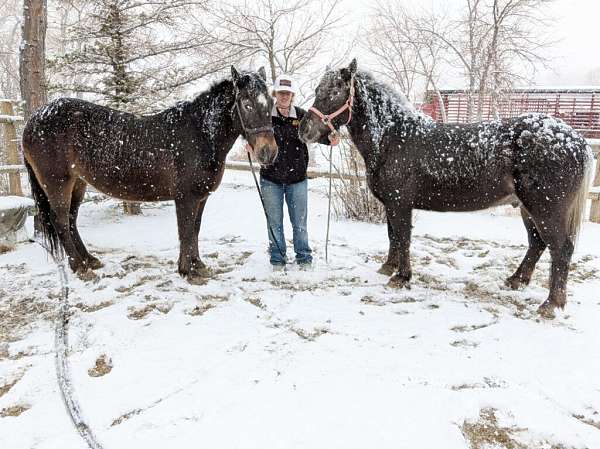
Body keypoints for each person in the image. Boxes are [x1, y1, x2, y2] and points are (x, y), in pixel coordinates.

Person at [247, 74, 339, 270]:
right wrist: (251, 145)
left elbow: (316, 134)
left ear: (292, 95)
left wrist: (329, 139)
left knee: (300, 224)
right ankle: (278, 260)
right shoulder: (265, 116)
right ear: (275, 94)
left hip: (297, 180)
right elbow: (252, 132)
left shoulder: (301, 116)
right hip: (270, 179)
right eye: (281, 93)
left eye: (288, 93)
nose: (284, 97)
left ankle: (304, 258)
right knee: (274, 224)